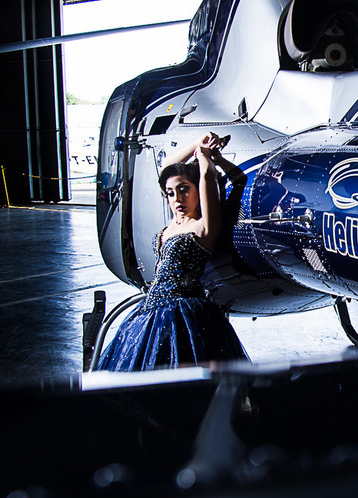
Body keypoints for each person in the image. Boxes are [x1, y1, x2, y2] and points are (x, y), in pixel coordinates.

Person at [94, 132, 247, 370]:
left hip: (183, 314)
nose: (177, 199)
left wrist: (205, 153)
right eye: (171, 193)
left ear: (198, 190)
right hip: (150, 312)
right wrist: (196, 143)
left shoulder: (203, 227)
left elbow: (209, 175)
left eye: (185, 189)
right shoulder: (172, 226)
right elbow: (167, 167)